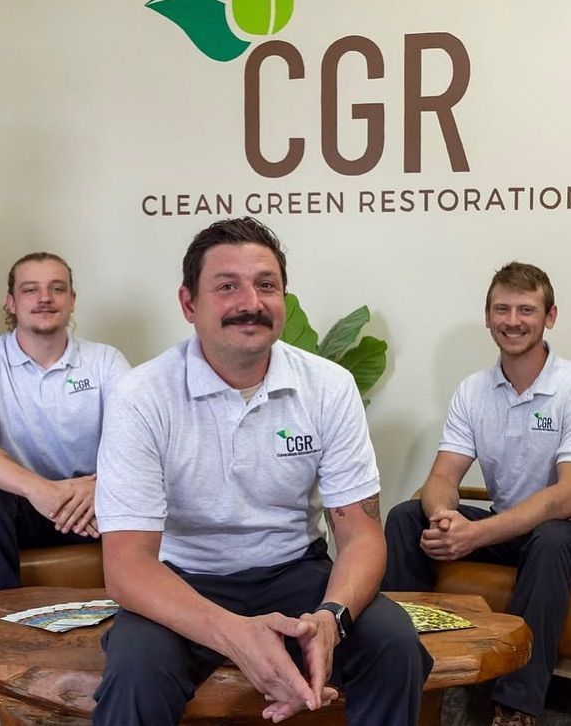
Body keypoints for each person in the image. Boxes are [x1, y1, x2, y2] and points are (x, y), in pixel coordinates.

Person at [92, 217, 431, 725]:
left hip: (296, 573)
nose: (250, 301)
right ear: (189, 304)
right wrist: (235, 632)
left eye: (266, 285)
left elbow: (360, 534)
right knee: (137, 672)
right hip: (183, 581)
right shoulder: (141, 396)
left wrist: (330, 618)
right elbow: (127, 567)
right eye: (227, 286)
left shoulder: (329, 387)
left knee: (394, 644)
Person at [383, 262, 571, 726]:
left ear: (550, 317)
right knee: (408, 517)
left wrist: (477, 533)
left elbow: (564, 498)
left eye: (526, 309)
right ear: (487, 317)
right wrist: (446, 519)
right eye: (501, 309)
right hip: (510, 526)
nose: (512, 320)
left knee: (552, 537)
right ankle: (407, 665)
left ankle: (516, 706)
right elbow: (442, 478)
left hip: (562, 533)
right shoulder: (473, 391)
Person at [0, 252, 130, 596]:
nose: (44, 298)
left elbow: (139, 442)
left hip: (90, 503)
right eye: (30, 290)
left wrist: (99, 486)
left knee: (158, 491)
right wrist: (40, 490)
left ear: (72, 301)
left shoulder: (105, 360)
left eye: (57, 289)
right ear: (11, 303)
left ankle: (150, 631)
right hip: (16, 508)